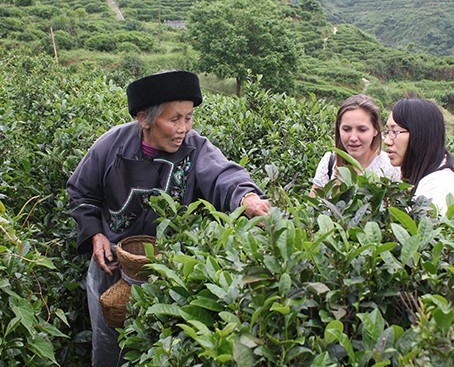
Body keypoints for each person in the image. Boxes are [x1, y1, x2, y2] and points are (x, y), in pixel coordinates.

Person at [66, 70, 270, 366]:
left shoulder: (195, 148)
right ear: (144, 119)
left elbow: (224, 175)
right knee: (109, 348)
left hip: (168, 275)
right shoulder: (112, 145)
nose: (184, 128)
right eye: (174, 119)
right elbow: (81, 192)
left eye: (189, 118)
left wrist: (247, 197)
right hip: (111, 267)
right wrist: (95, 234)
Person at [384, 97, 454, 215]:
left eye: (395, 132)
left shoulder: (439, 186)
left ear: (419, 135)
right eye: (387, 131)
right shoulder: (420, 175)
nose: (387, 141)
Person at [310, 94, 400, 196]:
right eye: (346, 129)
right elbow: (313, 208)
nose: (353, 138)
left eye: (362, 130)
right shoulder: (329, 162)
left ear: (376, 130)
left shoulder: (391, 168)